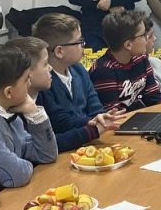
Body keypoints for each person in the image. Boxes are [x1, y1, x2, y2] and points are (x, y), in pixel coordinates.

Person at [0, 44, 57, 189]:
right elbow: (17, 175)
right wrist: (29, 164)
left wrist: (34, 113)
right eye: (26, 79)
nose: (30, 83)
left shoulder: (11, 114)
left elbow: (47, 155)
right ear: (9, 92)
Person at [32, 13, 123, 152]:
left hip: (90, 140)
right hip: (66, 148)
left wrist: (101, 118)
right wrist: (93, 123)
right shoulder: (43, 83)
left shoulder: (79, 70)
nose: (84, 45)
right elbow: (61, 121)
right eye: (79, 42)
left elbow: (95, 107)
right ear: (59, 51)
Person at [89, 10, 161, 112]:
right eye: (143, 35)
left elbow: (155, 98)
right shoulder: (103, 71)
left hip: (141, 117)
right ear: (128, 45)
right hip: (123, 120)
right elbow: (114, 115)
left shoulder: (141, 58)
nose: (147, 38)